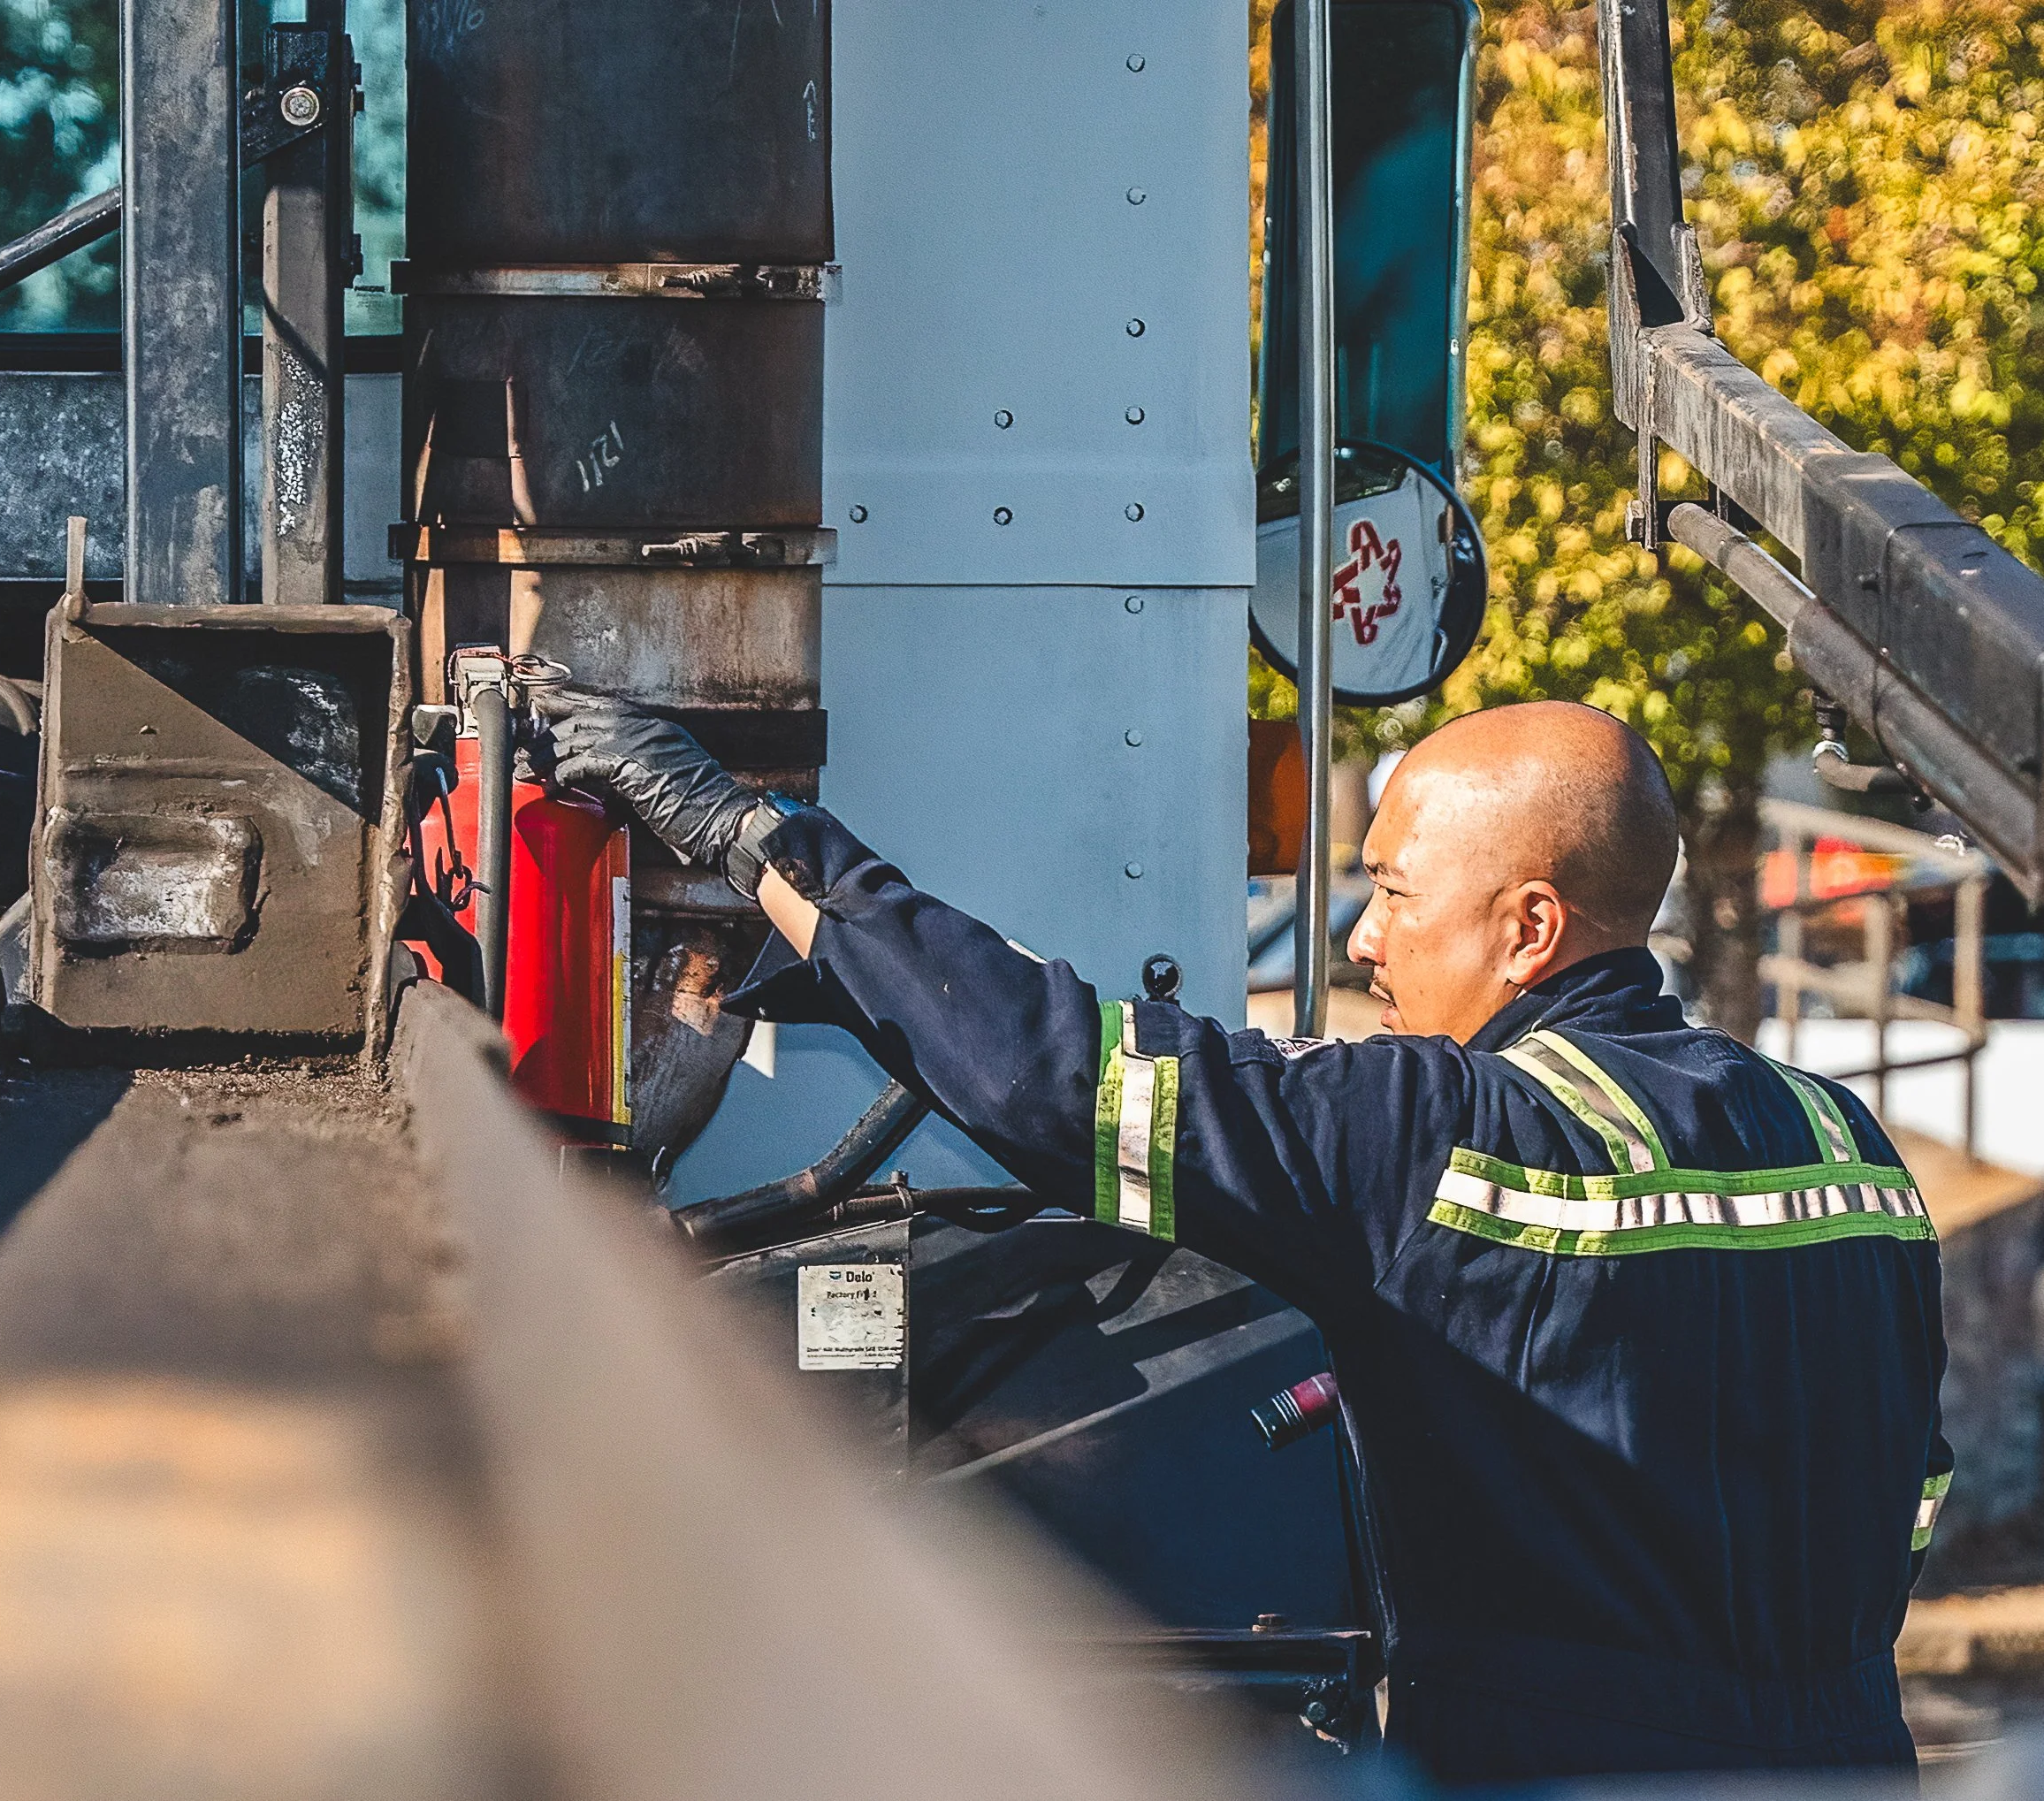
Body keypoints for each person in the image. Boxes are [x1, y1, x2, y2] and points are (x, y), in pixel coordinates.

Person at [540, 693, 1950, 1787]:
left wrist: (752, 838)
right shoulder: (1842, 1141)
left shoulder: (1439, 1129)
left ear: (1527, 929)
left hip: (1548, 1773)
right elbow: (1915, 1488)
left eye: (1395, 894)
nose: (1362, 944)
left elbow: (1067, 1079)